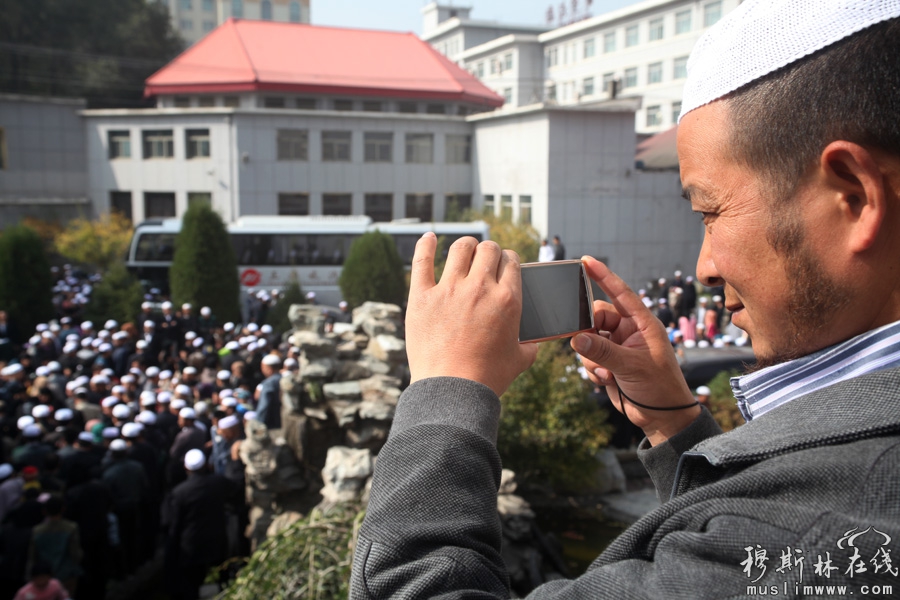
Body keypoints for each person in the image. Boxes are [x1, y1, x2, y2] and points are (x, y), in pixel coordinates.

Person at [349, 2, 900, 597]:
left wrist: (445, 393)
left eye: (710, 213)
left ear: (855, 196)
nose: (704, 269)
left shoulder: (823, 523)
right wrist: (675, 424)